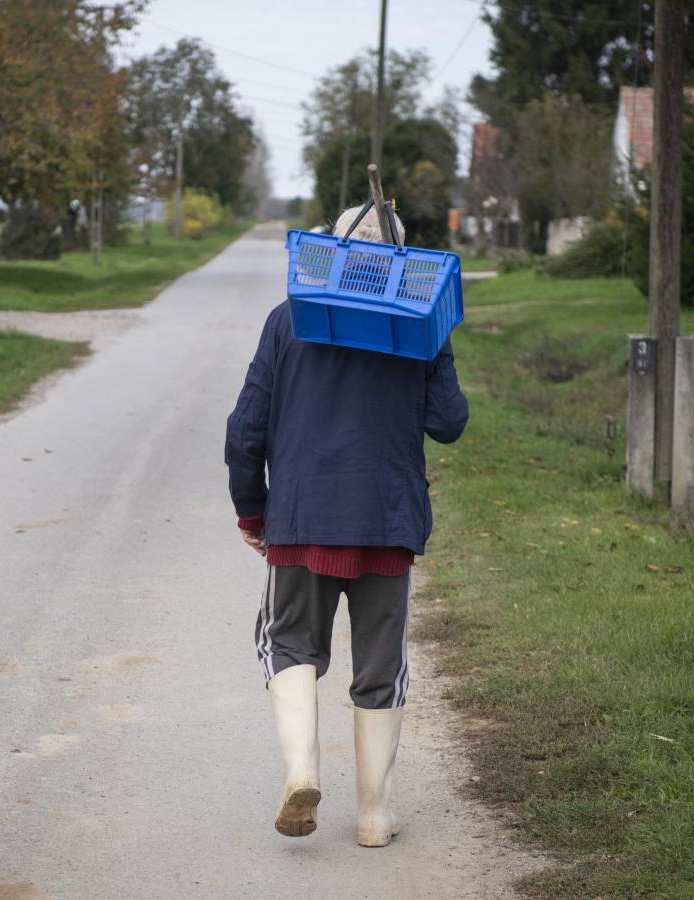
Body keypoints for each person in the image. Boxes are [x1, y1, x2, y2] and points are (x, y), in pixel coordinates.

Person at [223, 203, 469, 847]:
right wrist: (436, 343)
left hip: (303, 521)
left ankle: (303, 770)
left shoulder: (288, 321)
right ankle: (372, 816)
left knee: (287, 645)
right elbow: (450, 423)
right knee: (382, 667)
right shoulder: (419, 328)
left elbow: (245, 428)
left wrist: (254, 509)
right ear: (399, 263)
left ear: (332, 250)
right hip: (388, 526)